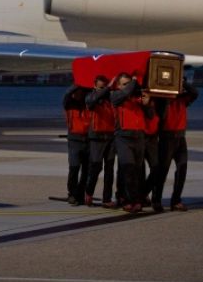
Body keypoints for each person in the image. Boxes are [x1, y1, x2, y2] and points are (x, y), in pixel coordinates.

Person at [110, 73, 152, 213]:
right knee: (128, 167)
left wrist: (147, 105)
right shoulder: (115, 96)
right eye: (124, 84)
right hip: (123, 137)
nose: (127, 86)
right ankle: (129, 200)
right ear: (118, 85)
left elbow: (150, 116)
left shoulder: (137, 98)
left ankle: (135, 198)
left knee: (137, 171)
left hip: (139, 137)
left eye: (128, 83)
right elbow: (126, 92)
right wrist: (134, 81)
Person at [155, 78, 198, 212]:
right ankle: (156, 201)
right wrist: (168, 95)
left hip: (180, 137)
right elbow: (160, 115)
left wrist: (182, 81)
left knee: (182, 169)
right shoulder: (161, 100)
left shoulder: (182, 99)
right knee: (163, 171)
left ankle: (176, 200)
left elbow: (195, 92)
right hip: (166, 138)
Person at [84, 75, 117, 208]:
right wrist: (107, 88)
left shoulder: (110, 99)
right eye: (100, 87)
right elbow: (92, 101)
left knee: (109, 170)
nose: (103, 90)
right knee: (96, 168)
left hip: (110, 137)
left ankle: (106, 199)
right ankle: (89, 193)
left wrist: (110, 90)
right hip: (96, 138)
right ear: (94, 86)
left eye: (105, 87)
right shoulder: (91, 98)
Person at [63, 84, 91, 205]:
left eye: (81, 92)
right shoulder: (69, 103)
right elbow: (67, 94)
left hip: (88, 139)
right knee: (74, 167)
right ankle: (72, 193)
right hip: (74, 140)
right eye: (77, 92)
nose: (78, 94)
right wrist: (79, 83)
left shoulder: (89, 104)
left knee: (86, 170)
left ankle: (80, 192)